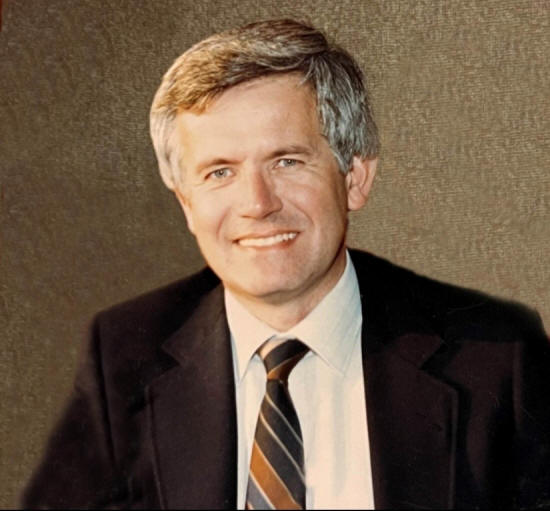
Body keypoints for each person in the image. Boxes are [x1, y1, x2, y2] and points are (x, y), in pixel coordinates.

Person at [22, 19, 550, 510]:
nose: (257, 203)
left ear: (355, 177)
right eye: (220, 172)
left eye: (287, 161)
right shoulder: (122, 359)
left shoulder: (498, 358)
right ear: (186, 204)